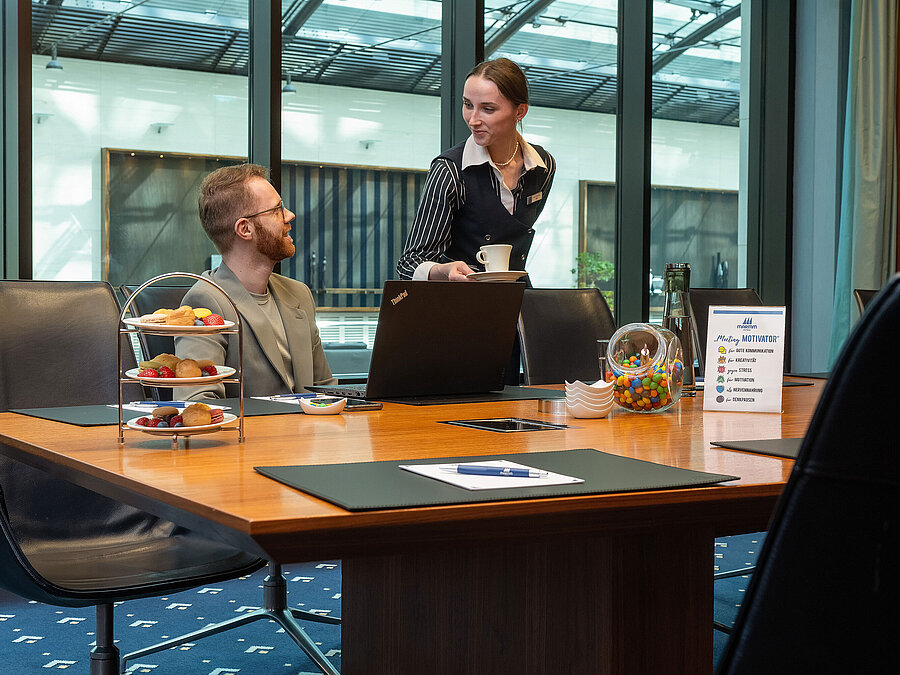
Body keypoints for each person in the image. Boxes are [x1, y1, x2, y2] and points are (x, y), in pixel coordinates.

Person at [175, 163, 336, 400]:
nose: (289, 215)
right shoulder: (205, 301)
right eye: (277, 209)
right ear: (245, 229)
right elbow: (197, 402)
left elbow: (325, 389)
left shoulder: (299, 294)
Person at [396, 57, 556, 281]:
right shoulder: (450, 170)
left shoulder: (543, 166)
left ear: (520, 111)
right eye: (468, 105)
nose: (473, 120)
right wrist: (443, 270)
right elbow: (409, 263)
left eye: (487, 109)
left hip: (518, 297)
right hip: (462, 298)